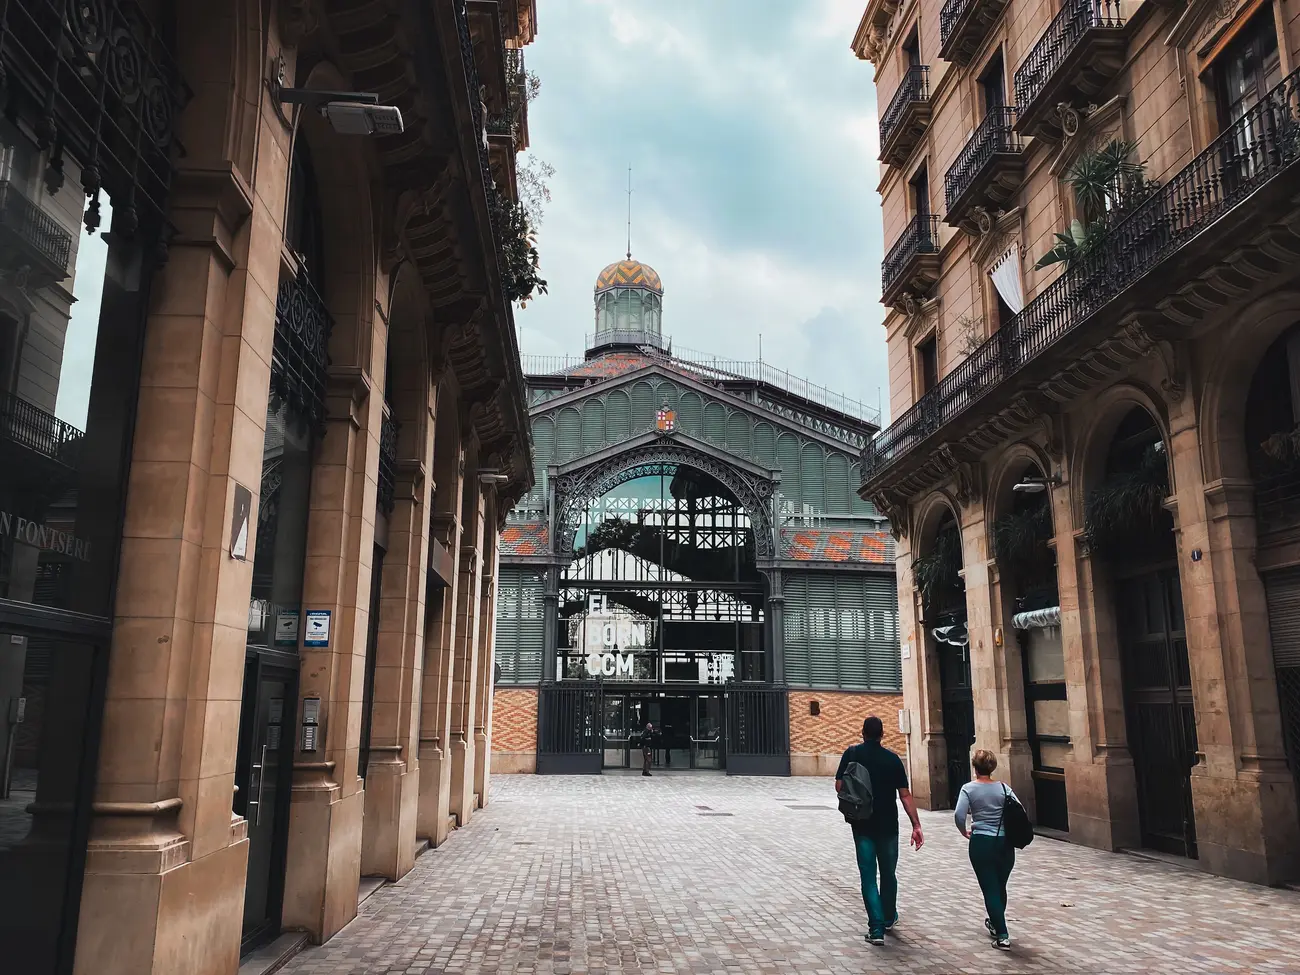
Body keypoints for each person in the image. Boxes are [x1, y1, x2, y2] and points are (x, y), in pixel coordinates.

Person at [835, 716, 924, 946]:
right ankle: (888, 917)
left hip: (862, 824)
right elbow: (905, 795)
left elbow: (839, 786)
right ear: (882, 735)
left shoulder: (852, 754)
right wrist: (916, 824)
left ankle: (875, 930)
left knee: (867, 876)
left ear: (863, 732)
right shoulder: (893, 760)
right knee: (888, 874)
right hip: (888, 825)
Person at [953, 749, 1018, 951]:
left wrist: (963, 830)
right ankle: (995, 922)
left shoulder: (968, 789)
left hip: (981, 842)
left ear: (975, 767)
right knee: (1000, 886)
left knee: (989, 888)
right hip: (1005, 843)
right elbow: (1019, 811)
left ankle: (1002, 935)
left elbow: (959, 814)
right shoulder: (1004, 789)